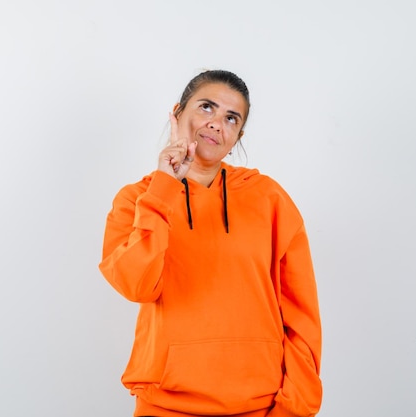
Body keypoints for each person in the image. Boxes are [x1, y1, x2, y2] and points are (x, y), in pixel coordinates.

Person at [99, 69, 322, 417]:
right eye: (206, 107)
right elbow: (137, 285)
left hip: (260, 406)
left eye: (231, 118)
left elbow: (302, 316)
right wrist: (163, 186)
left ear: (238, 135)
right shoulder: (137, 199)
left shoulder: (269, 198)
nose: (217, 123)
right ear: (178, 114)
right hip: (165, 405)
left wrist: (294, 410)